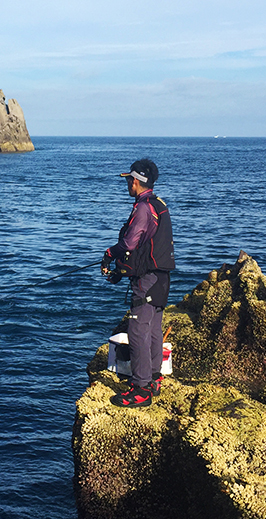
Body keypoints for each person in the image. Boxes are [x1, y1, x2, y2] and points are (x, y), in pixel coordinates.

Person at [100, 158, 176, 408]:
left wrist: (110, 254)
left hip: (147, 280)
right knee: (153, 328)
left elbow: (130, 244)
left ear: (136, 181)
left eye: (128, 181)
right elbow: (146, 248)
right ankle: (153, 379)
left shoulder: (143, 208)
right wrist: (121, 271)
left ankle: (141, 389)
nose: (127, 185)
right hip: (161, 278)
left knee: (137, 331)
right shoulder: (159, 205)